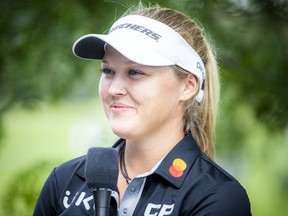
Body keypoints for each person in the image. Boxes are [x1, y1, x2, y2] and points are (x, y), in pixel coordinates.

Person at [34, 4, 251, 216]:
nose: (114, 88)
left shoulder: (216, 197)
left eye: (135, 72)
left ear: (188, 86)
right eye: (108, 70)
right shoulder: (64, 181)